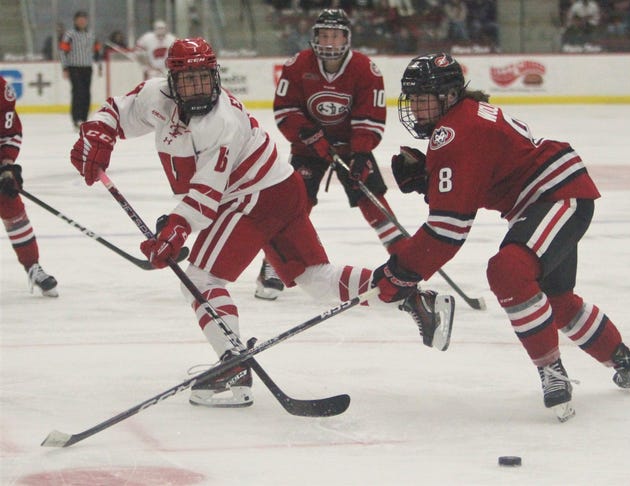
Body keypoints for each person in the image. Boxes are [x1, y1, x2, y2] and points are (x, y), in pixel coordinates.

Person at [69, 38, 455, 408]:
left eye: (204, 77)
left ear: (215, 76)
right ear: (172, 81)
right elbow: (119, 110)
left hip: (253, 196)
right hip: (280, 188)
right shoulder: (156, 96)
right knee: (317, 277)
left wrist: (177, 228)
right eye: (188, 79)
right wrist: (98, 132)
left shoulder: (222, 122)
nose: (199, 87)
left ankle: (233, 367)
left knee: (202, 279)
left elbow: (206, 196)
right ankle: (415, 299)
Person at [376, 52, 630, 422]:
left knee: (508, 271)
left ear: (447, 96)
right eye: (412, 97)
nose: (415, 106)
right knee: (557, 302)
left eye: (423, 97)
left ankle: (551, 371)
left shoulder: (454, 131)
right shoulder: (464, 118)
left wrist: (401, 272)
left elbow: (448, 230)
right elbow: (475, 181)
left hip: (556, 196)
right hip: (553, 196)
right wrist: (430, 179)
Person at [260, 8, 407, 300]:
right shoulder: (297, 65)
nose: (329, 41)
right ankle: (273, 266)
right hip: (308, 147)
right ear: (314, 37)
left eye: (335, 35)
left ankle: (405, 257)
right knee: (296, 204)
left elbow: (370, 115)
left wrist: (361, 152)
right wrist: (308, 134)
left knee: (371, 196)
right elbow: (285, 110)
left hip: (351, 147)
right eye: (324, 35)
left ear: (346, 38)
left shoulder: (365, 69)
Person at [0, 76, 58, 297]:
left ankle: (32, 265)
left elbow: (10, 133)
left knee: (12, 207)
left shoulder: (1, 88)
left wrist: (7, 166)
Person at [58, 10, 102, 130]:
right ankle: (76, 119)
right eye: (79, 19)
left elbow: (97, 49)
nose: (82, 22)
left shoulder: (91, 34)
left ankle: (84, 118)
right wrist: (65, 67)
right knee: (77, 92)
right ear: (75, 21)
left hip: (87, 67)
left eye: (84, 19)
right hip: (74, 67)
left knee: (86, 93)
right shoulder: (69, 35)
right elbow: (62, 51)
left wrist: (99, 63)